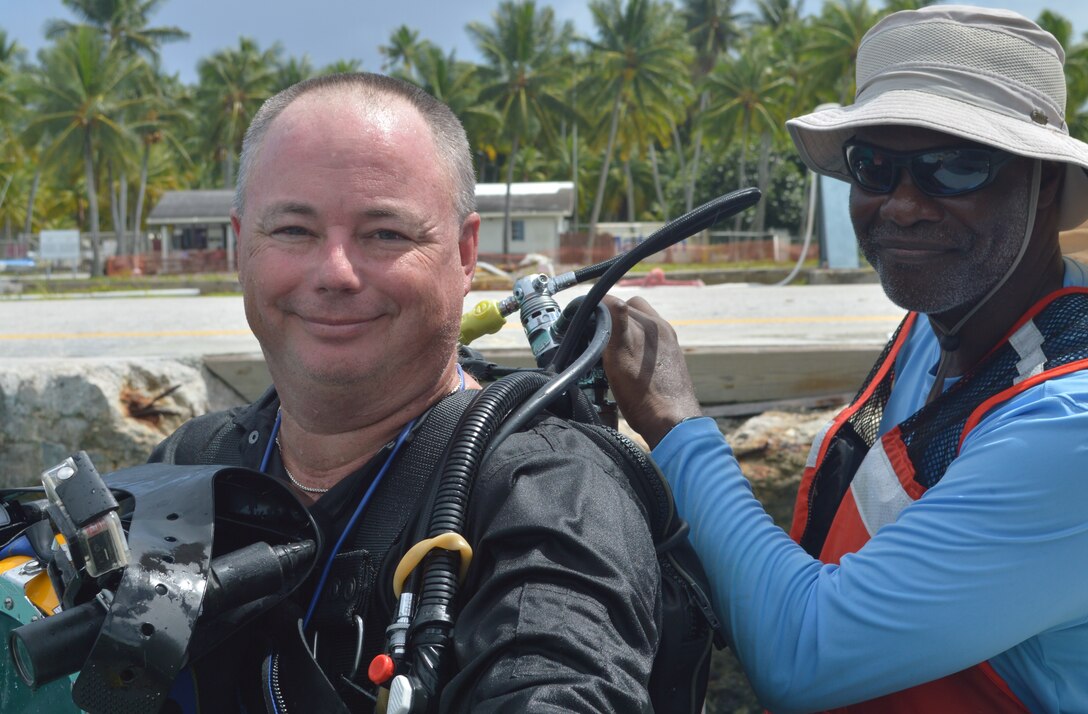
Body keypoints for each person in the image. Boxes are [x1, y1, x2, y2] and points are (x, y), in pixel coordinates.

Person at [603, 6, 1088, 713]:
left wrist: (674, 422)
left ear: (1044, 183)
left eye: (956, 167)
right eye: (875, 166)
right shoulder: (942, 321)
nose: (902, 206)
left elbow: (802, 656)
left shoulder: (1066, 428)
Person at [149, 72, 660, 712]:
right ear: (240, 244)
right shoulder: (190, 466)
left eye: (386, 234)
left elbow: (562, 676)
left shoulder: (548, 494)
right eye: (293, 231)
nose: (335, 272)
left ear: (466, 253)